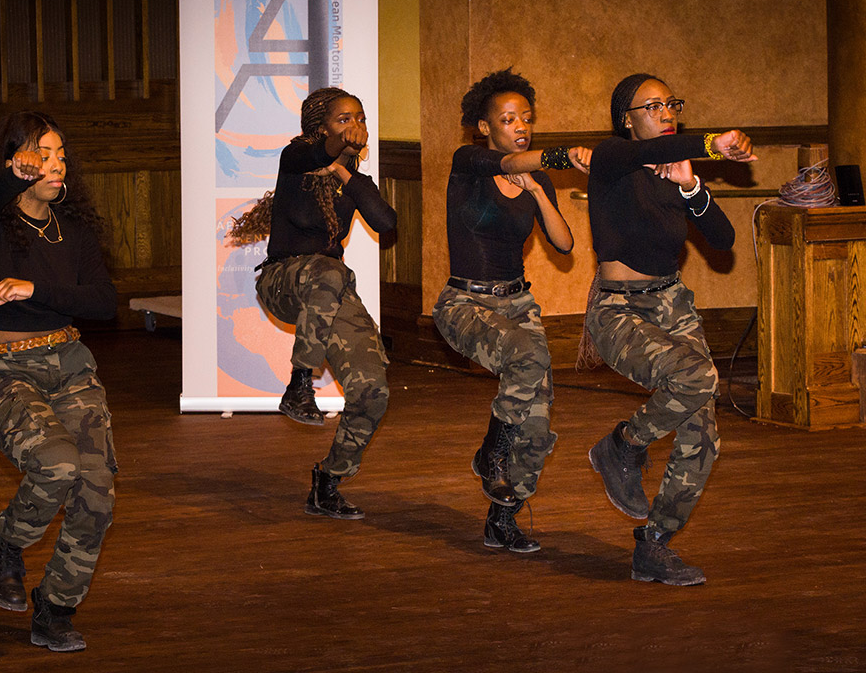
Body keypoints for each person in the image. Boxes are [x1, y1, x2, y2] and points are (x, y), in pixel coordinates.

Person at [0, 112, 117, 652]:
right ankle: (4, 547)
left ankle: (56, 606)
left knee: (96, 489)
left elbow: (103, 302)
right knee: (57, 463)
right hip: (8, 369)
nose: (54, 164)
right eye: (40, 154)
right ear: (14, 163)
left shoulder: (76, 228)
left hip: (70, 362)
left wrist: (37, 289)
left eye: (60, 154)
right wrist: (9, 179)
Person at [583, 73, 754, 585]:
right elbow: (640, 154)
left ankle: (654, 543)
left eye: (670, 103)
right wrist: (712, 143)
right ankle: (625, 445)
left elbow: (722, 241)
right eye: (650, 105)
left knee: (703, 432)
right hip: (619, 310)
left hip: (672, 302)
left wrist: (692, 184)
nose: (664, 111)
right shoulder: (611, 160)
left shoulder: (675, 169)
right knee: (700, 378)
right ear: (626, 119)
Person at [432, 69, 590, 552]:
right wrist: (565, 156)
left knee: (537, 426)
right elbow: (503, 161)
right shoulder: (469, 162)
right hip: (464, 301)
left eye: (526, 117)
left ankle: (503, 518)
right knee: (528, 356)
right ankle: (489, 454)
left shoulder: (535, 176)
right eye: (508, 118)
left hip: (517, 302)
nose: (520, 125)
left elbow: (563, 245)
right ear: (485, 127)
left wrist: (539, 189)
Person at [227, 87, 397, 520]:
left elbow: (387, 223)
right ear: (321, 127)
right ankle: (300, 383)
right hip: (284, 281)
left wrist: (347, 173)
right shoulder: (295, 160)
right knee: (329, 269)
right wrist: (335, 149)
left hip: (330, 290)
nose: (355, 126)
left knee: (372, 388)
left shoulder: (352, 179)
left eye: (359, 118)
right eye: (344, 119)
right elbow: (316, 154)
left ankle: (328, 481)